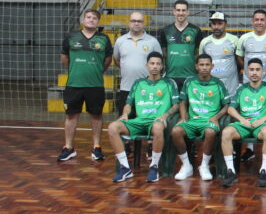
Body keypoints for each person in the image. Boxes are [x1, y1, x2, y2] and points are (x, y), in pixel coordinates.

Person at [108, 52, 179, 182]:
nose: (155, 66)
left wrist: (165, 115)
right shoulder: (138, 83)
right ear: (146, 65)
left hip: (156, 121)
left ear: (162, 66)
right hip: (139, 121)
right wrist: (125, 114)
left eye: (158, 64)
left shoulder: (169, 83)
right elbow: (128, 104)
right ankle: (125, 168)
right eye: (152, 63)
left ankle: (154, 166)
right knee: (113, 127)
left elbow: (176, 106)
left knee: (158, 127)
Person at [58, 9, 113, 162]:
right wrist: (75, 70)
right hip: (74, 84)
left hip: (95, 85)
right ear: (83, 20)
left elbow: (108, 59)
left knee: (96, 115)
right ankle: (68, 147)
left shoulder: (104, 38)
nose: (91, 20)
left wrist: (97, 70)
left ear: (98, 22)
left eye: (94, 18)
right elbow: (64, 56)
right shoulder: (71, 36)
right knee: (71, 115)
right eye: (88, 17)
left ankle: (96, 147)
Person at [221, 58, 266, 188]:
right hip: (244, 124)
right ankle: (230, 171)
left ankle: (263, 170)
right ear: (247, 71)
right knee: (226, 132)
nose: (254, 72)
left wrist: (262, 120)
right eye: (251, 69)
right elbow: (230, 108)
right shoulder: (241, 89)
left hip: (261, 124)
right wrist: (241, 119)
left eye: (257, 70)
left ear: (262, 71)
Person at [236, 9, 266, 162]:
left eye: (262, 19)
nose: (259, 22)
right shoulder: (244, 38)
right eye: (256, 19)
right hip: (248, 83)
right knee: (249, 112)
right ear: (252, 21)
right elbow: (239, 58)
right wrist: (249, 73)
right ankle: (249, 149)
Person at [171, 54, 229, 181]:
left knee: (210, 132)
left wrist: (216, 117)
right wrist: (183, 116)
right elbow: (182, 101)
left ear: (212, 66)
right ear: (196, 66)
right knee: (176, 131)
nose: (204, 67)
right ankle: (186, 165)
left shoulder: (218, 83)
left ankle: (204, 165)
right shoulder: (189, 81)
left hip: (208, 121)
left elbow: (226, 106)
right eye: (201, 65)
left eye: (207, 65)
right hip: (192, 121)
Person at [112, 11, 162, 121]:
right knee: (125, 120)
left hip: (147, 89)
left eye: (139, 21)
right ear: (129, 23)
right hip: (126, 88)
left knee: (144, 120)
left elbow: (159, 62)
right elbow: (116, 60)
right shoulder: (120, 41)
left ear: (144, 23)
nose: (136, 23)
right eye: (133, 21)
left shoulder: (153, 41)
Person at [158, 0, 204, 91]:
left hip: (190, 75)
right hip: (170, 76)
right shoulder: (166, 31)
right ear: (174, 12)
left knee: (188, 104)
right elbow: (164, 53)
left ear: (188, 12)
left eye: (183, 10)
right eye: (178, 10)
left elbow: (198, 53)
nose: (181, 13)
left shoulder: (196, 30)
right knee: (172, 104)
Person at [199, 12, 241, 95]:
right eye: (214, 24)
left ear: (225, 24)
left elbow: (239, 62)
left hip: (230, 88)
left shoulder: (234, 40)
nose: (216, 27)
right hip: (211, 88)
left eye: (220, 24)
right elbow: (200, 64)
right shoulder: (205, 42)